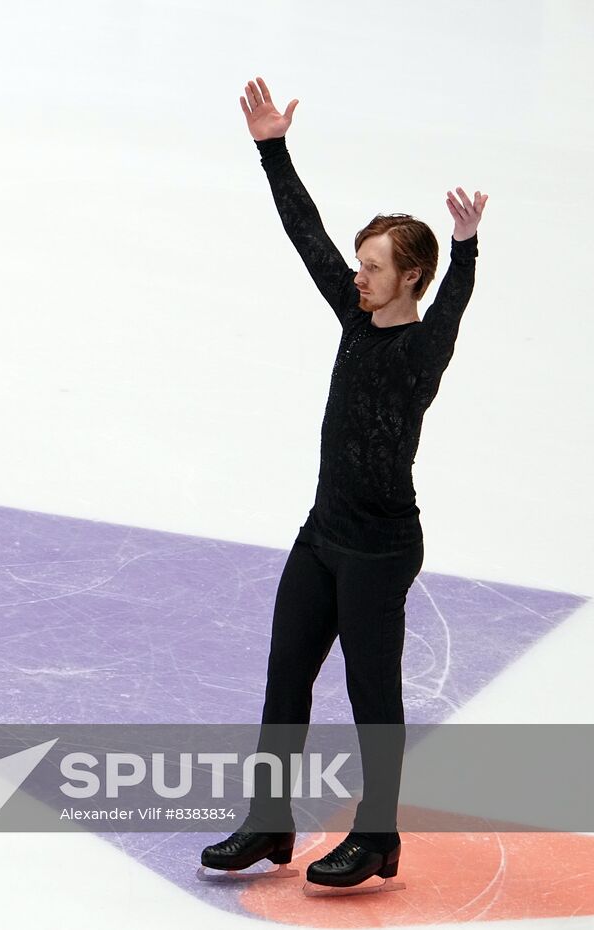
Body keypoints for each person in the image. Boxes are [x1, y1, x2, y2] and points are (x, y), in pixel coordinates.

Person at [199, 77, 487, 891]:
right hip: (321, 534)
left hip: (379, 550)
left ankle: (378, 837)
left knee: (371, 698)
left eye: (375, 269)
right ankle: (268, 822)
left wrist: (465, 250)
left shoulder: (419, 352)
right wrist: (271, 149)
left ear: (411, 278)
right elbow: (308, 237)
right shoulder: (354, 317)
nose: (358, 278)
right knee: (285, 675)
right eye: (360, 267)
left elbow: (457, 306)